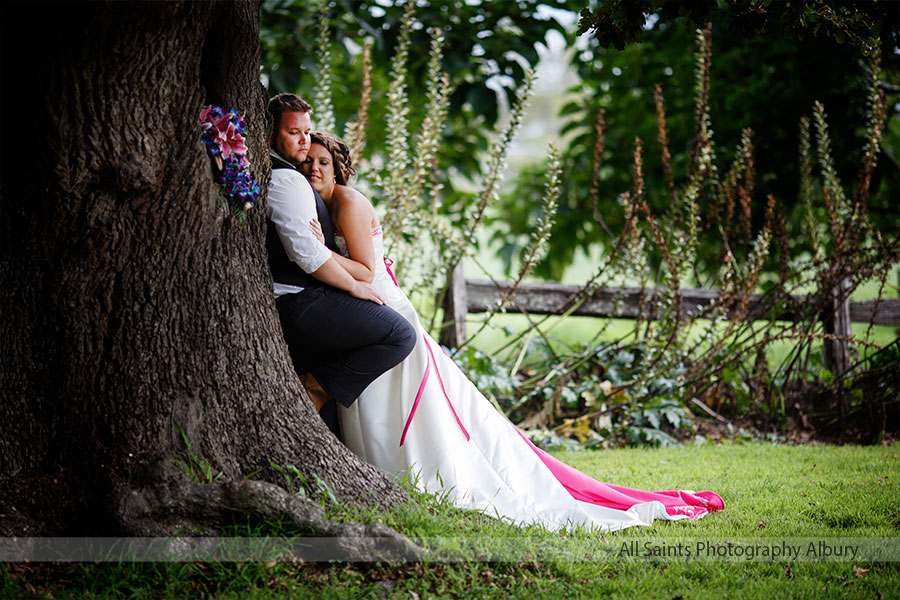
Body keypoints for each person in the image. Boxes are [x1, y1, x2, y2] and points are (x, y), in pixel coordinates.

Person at [301, 131, 725, 533]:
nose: (314, 170)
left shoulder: (349, 204)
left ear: (339, 168)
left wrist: (315, 252)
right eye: (308, 162)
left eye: (323, 162)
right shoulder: (322, 204)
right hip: (365, 313)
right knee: (379, 403)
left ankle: (415, 476)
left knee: (396, 404)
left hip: (383, 313)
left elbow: (365, 271)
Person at [265, 94, 415, 437]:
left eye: (308, 133)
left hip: (352, 290)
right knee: (386, 344)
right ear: (272, 135)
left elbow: (344, 262)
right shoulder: (291, 182)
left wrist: (324, 250)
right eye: (294, 134)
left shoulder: (343, 200)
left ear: (337, 171)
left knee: (396, 342)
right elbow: (306, 252)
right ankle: (319, 401)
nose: (310, 162)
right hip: (309, 297)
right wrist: (344, 277)